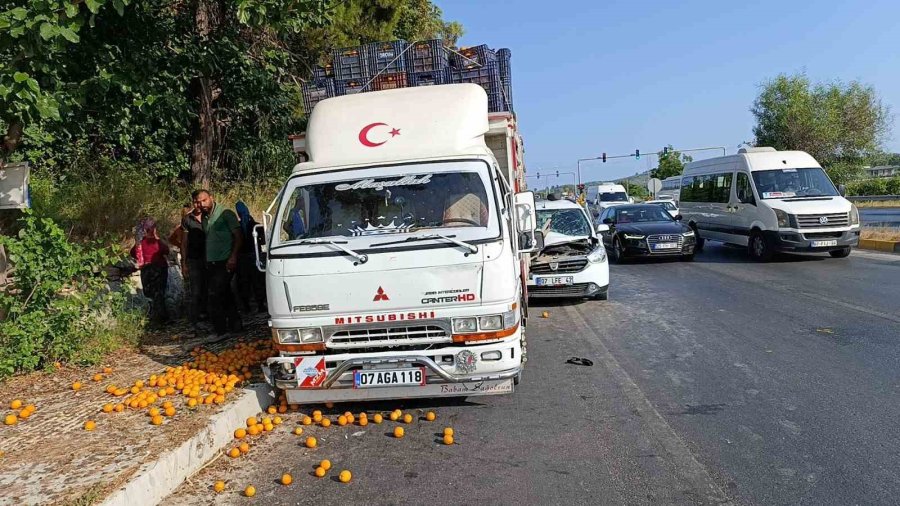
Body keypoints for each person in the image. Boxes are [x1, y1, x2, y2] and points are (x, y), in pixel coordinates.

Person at [194, 189, 243, 339]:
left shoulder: (226, 214)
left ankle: (220, 330)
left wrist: (233, 257)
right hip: (212, 262)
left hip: (225, 261)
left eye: (204, 200)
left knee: (214, 295)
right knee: (225, 293)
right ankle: (236, 326)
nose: (202, 204)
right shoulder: (204, 217)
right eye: (198, 202)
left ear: (211, 198)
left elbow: (238, 236)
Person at [130, 218, 170, 323]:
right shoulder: (157, 242)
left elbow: (133, 253)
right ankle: (162, 318)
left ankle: (153, 317)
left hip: (146, 270)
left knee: (150, 294)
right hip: (159, 269)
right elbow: (166, 250)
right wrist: (158, 238)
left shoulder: (140, 243)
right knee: (159, 293)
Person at [181, 193, 208, 331]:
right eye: (196, 202)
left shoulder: (208, 216)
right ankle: (195, 321)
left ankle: (208, 317)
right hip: (194, 259)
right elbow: (184, 243)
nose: (199, 205)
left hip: (209, 258)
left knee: (209, 288)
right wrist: (184, 263)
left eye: (201, 202)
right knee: (195, 290)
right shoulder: (187, 220)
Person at [234, 200, 267, 314]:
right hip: (255, 256)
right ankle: (261, 305)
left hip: (241, 257)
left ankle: (246, 307)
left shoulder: (236, 226)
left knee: (244, 283)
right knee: (257, 281)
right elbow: (263, 241)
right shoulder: (255, 225)